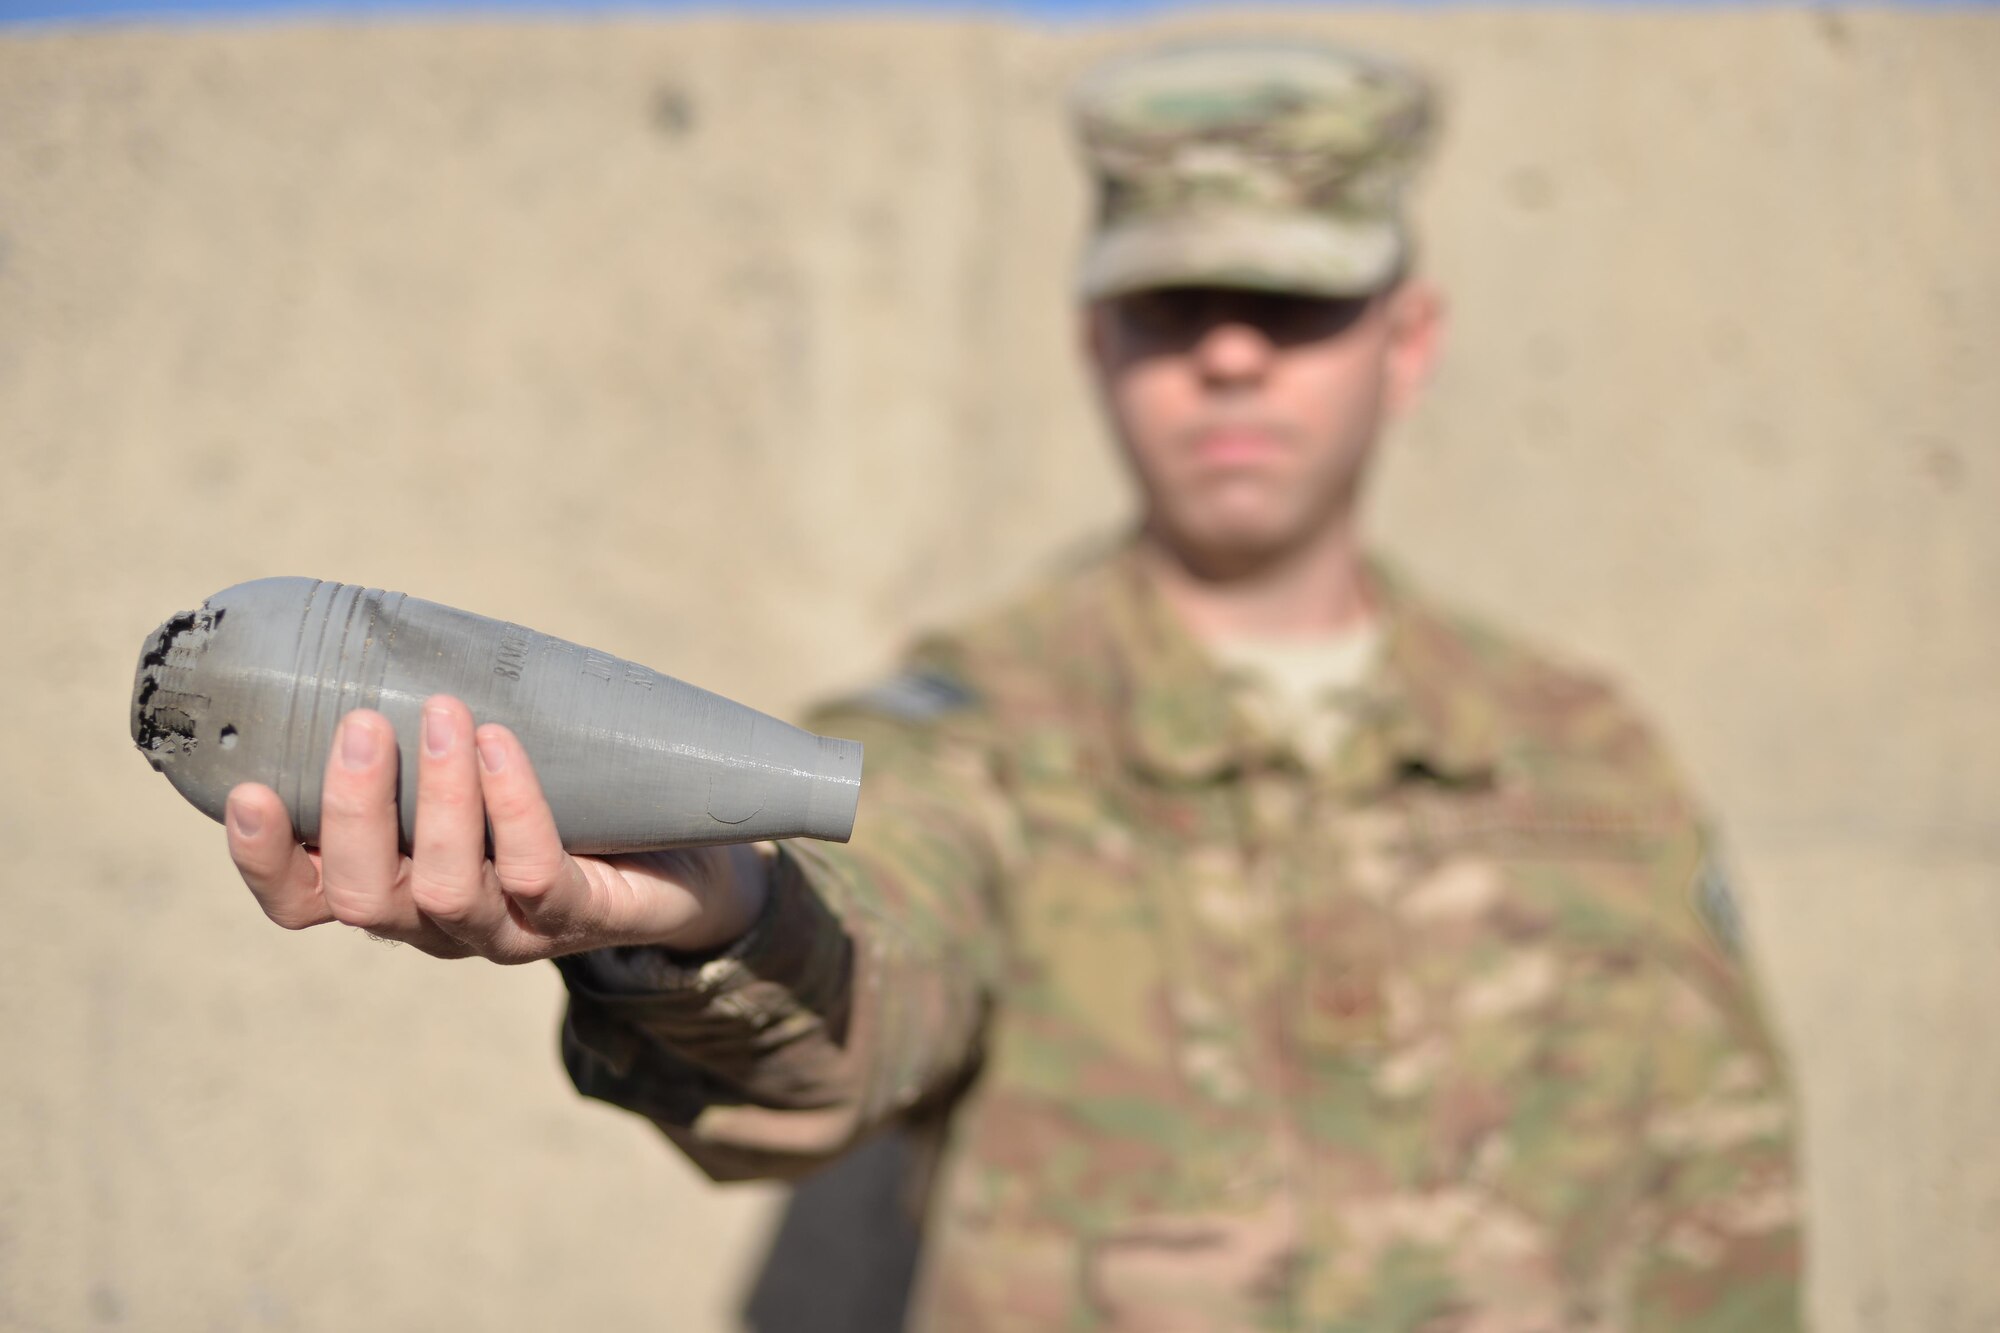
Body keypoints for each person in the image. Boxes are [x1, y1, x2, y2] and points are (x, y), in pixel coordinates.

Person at [224, 39, 1803, 1331]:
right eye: (1178, 307)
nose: (1234, 358)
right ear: (1096, 340)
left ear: (1410, 340)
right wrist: (709, 914)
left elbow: (1722, 1205)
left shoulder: (1586, 759)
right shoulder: (970, 731)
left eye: (1299, 305)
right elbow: (874, 936)